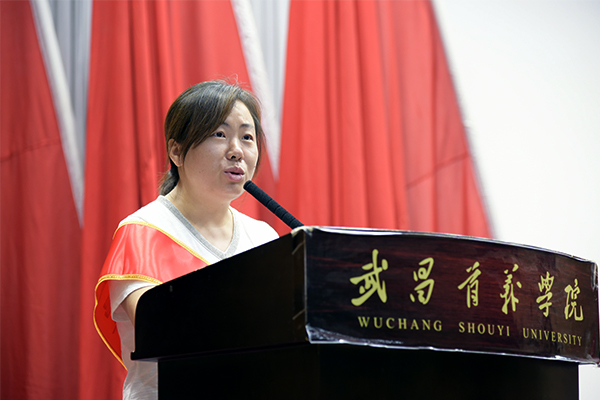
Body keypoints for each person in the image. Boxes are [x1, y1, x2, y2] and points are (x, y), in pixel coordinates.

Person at [93, 80, 279, 400]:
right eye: (219, 134)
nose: (237, 150)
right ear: (176, 151)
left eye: (247, 137)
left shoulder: (264, 237)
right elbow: (167, 335)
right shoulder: (143, 232)